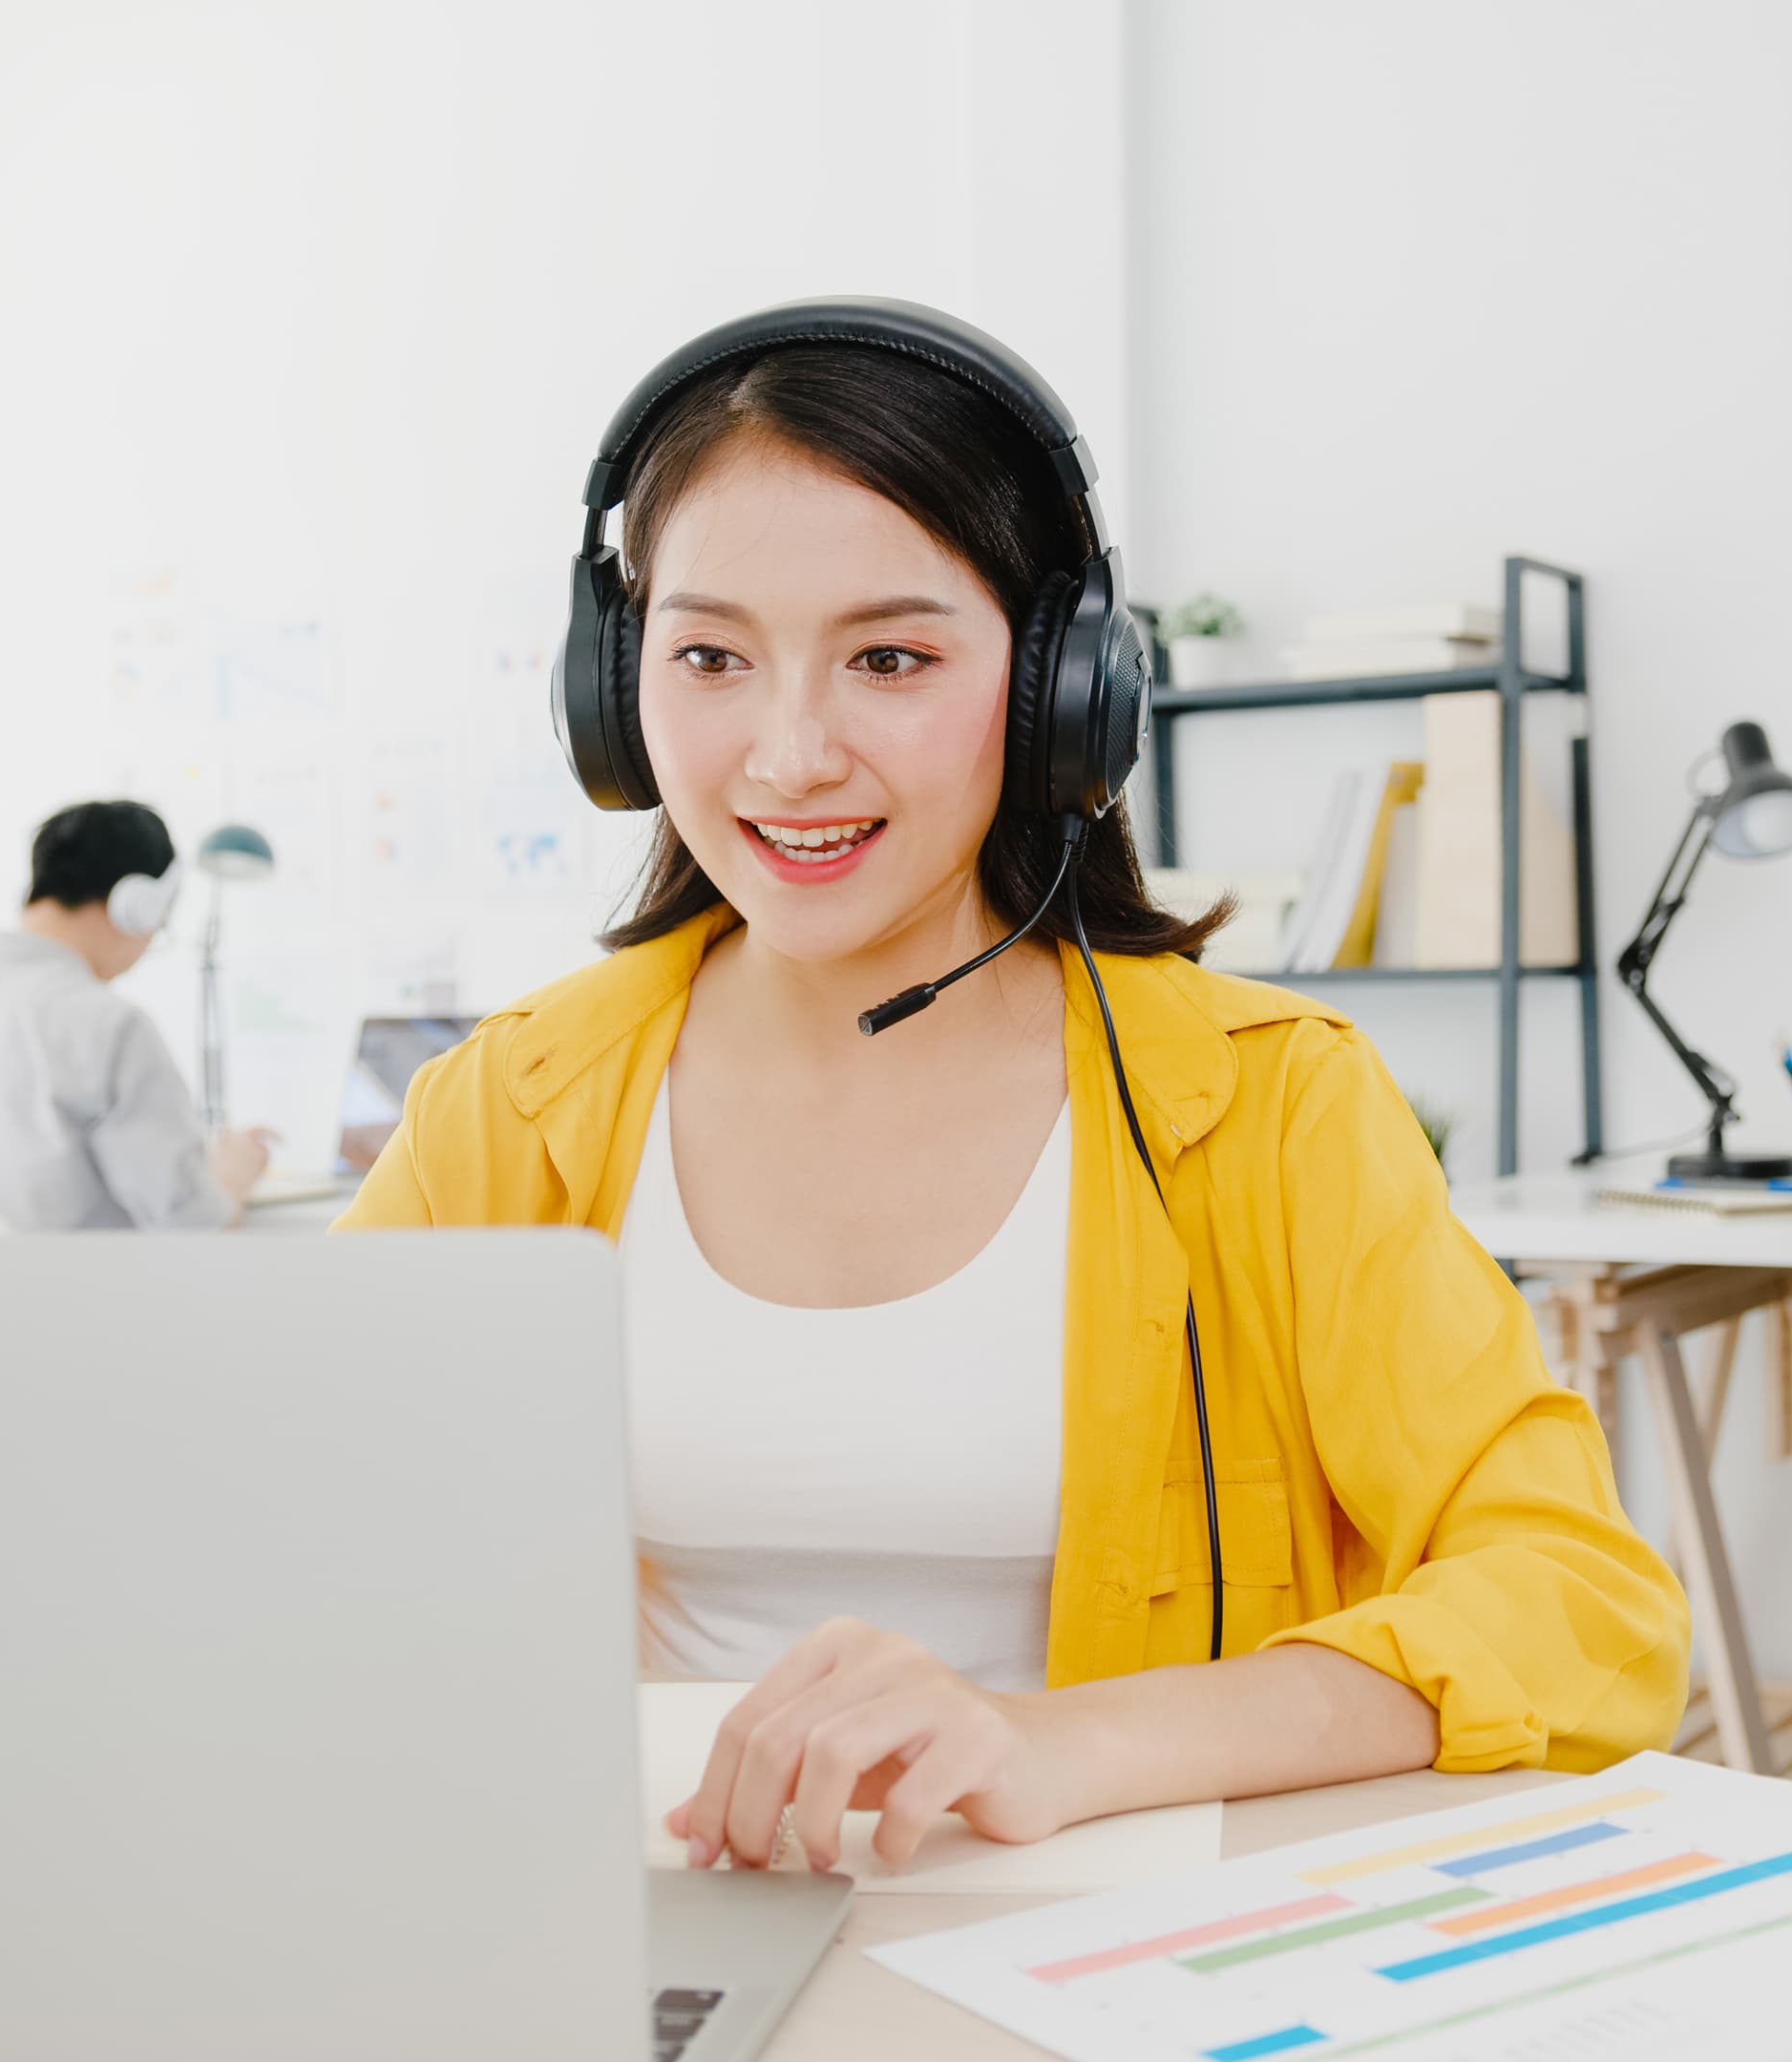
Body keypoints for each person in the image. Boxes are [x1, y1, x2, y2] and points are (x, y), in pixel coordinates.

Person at [339, 305, 1686, 1875]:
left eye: (890, 657)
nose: (786, 757)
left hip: (1123, 1956)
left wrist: (1063, 1742)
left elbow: (1583, 1606)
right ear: (612, 688)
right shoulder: (507, 1111)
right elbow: (277, 1537)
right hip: (642, 1940)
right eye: (708, 655)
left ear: (1060, 693)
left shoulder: (1268, 1106)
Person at [0, 799, 275, 1230]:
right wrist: (231, 1177)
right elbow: (193, 1226)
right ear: (138, 905)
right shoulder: (108, 1026)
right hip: (75, 1293)